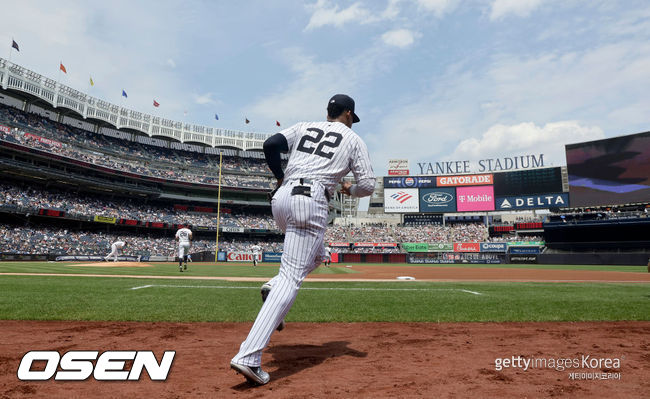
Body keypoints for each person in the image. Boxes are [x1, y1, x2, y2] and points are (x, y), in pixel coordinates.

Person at [230, 94, 375, 385]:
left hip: (281, 200)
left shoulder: (305, 126)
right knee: (291, 277)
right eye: (352, 117)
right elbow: (369, 185)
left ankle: (272, 287)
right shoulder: (353, 139)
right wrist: (349, 190)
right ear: (348, 113)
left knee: (318, 256)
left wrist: (281, 176)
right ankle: (249, 357)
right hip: (311, 200)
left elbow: (270, 145)